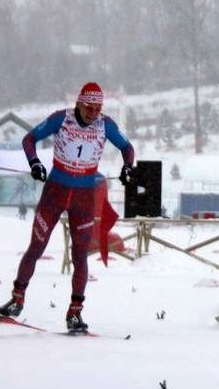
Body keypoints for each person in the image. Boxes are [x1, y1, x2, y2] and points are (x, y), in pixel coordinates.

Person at [0, 83, 135, 332]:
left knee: (80, 255)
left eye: (98, 108)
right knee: (36, 247)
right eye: (89, 108)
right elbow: (29, 139)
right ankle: (17, 299)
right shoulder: (61, 118)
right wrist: (34, 163)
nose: (94, 113)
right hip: (55, 192)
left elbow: (127, 147)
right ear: (79, 104)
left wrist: (127, 166)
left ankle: (75, 313)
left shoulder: (106, 124)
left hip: (84, 198)